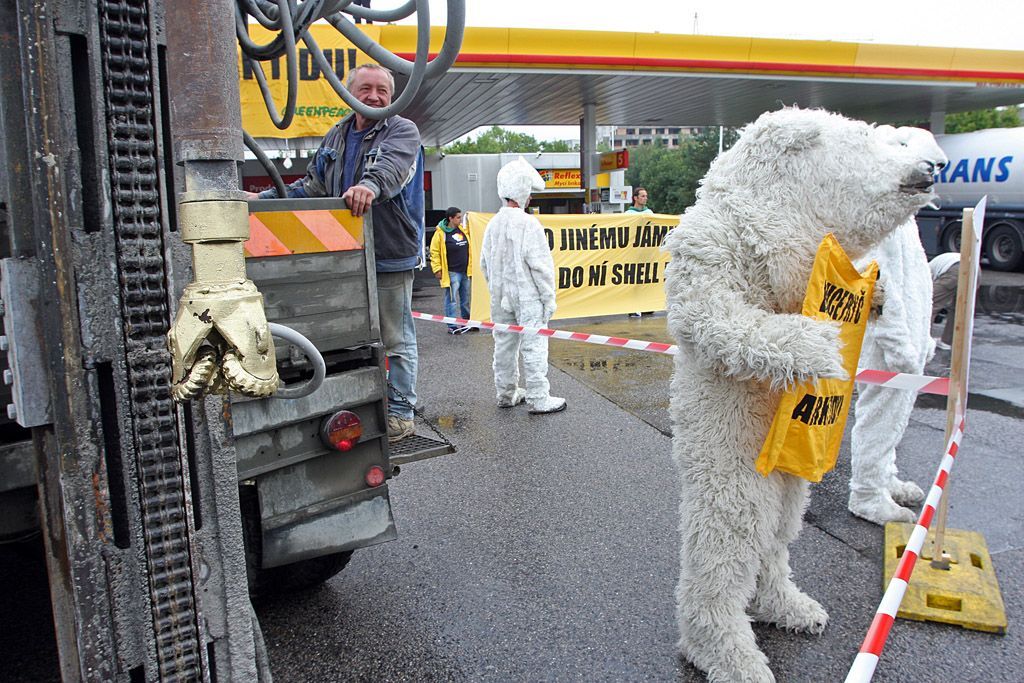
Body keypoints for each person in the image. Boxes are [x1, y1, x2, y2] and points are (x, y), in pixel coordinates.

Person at [252, 64, 423, 442]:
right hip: (344, 259)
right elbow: (309, 186)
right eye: (365, 89)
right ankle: (361, 402)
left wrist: (369, 187)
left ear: (391, 95)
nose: (374, 96)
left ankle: (401, 412)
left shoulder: (401, 129)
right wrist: (260, 200)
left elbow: (391, 169)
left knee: (394, 338)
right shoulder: (337, 135)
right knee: (349, 336)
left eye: (382, 90)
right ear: (348, 93)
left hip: (387, 255)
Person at [480, 157, 566, 414]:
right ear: (523, 191)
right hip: (527, 296)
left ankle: (506, 393)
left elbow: (485, 264)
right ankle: (539, 398)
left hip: (500, 296)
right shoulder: (529, 224)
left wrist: (495, 289)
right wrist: (548, 298)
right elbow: (540, 267)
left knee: (504, 343)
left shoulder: (492, 224)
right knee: (534, 343)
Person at [430, 207, 474, 334]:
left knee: (465, 298)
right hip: (452, 271)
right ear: (451, 218)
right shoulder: (440, 234)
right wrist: (437, 269)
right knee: (452, 299)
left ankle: (467, 321)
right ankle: (452, 325)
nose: (460, 220)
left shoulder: (462, 230)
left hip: (465, 270)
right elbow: (435, 252)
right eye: (458, 217)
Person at [929, 251, 961, 350]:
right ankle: (947, 342)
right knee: (959, 309)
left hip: (954, 269)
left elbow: (927, 294)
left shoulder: (925, 272)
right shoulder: (934, 265)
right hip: (975, 268)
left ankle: (922, 343)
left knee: (929, 305)